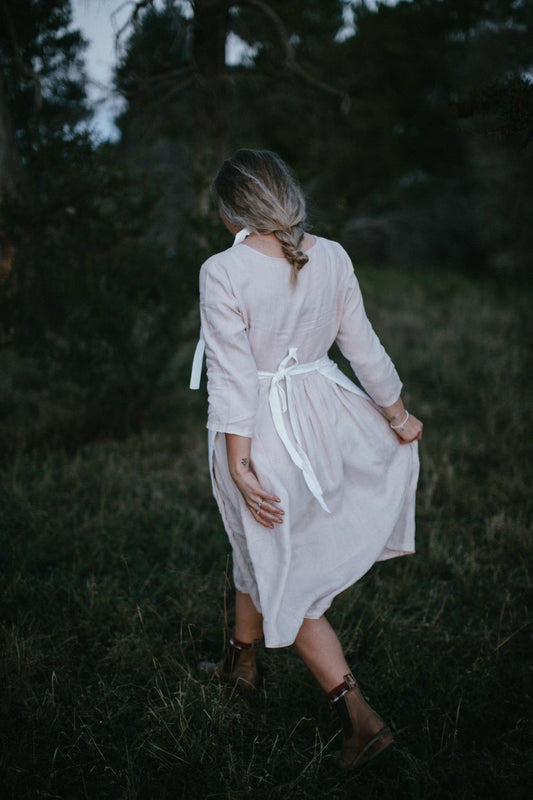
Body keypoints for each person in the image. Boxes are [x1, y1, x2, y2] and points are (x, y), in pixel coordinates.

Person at [191, 149, 423, 770]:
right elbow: (364, 347)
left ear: (233, 208)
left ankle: (360, 719)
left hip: (263, 434)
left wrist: (239, 465)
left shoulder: (224, 269)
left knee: (285, 574)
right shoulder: (334, 254)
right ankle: (243, 663)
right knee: (257, 546)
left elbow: (235, 377)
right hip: (326, 418)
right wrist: (397, 416)